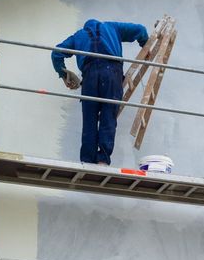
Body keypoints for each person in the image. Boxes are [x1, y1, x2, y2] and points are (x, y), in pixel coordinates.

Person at [51, 19, 149, 164]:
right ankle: (103, 160)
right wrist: (145, 46)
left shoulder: (79, 35)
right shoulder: (112, 27)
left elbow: (56, 53)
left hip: (89, 75)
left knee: (89, 119)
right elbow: (140, 29)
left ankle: (87, 161)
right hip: (111, 72)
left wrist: (63, 74)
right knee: (108, 116)